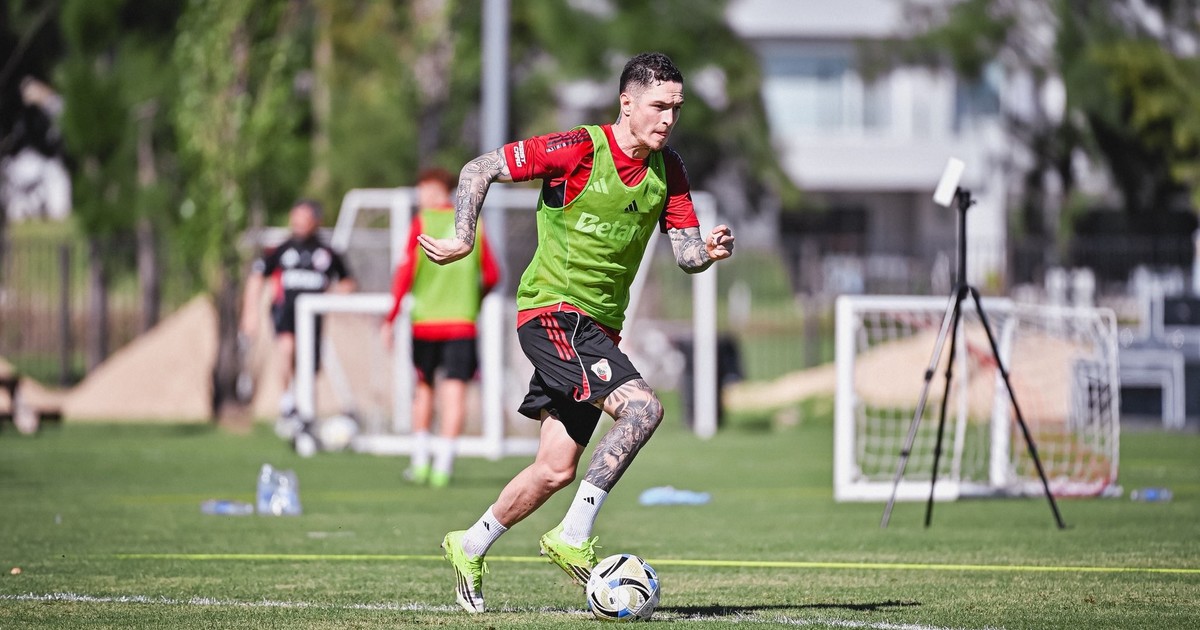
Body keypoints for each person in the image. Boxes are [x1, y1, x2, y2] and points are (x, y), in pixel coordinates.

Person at [419, 52, 734, 613]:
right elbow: (477, 168)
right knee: (643, 409)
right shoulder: (580, 149)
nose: (668, 119)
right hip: (553, 315)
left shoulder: (670, 169)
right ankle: (572, 534)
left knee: (555, 469)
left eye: (676, 108)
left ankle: (469, 545)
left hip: (597, 331)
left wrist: (707, 252)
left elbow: (685, 254)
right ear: (627, 103)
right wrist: (464, 237)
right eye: (658, 106)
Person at [381, 167, 501, 488]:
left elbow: (405, 273)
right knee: (454, 393)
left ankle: (420, 463)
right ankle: (442, 468)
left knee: (424, 390)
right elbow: (492, 274)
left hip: (426, 322)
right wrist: (473, 300)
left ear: (442, 192)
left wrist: (390, 318)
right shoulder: (475, 225)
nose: (423, 197)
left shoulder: (422, 223)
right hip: (462, 322)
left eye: (427, 190)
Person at [240, 200, 356, 444]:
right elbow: (257, 277)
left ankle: (305, 417)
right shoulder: (281, 250)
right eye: (296, 217)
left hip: (314, 320)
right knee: (286, 349)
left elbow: (348, 282)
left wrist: (334, 296)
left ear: (316, 221)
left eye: (304, 218)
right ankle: (287, 404)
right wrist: (250, 314)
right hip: (285, 313)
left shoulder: (327, 253)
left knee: (309, 369)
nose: (299, 223)